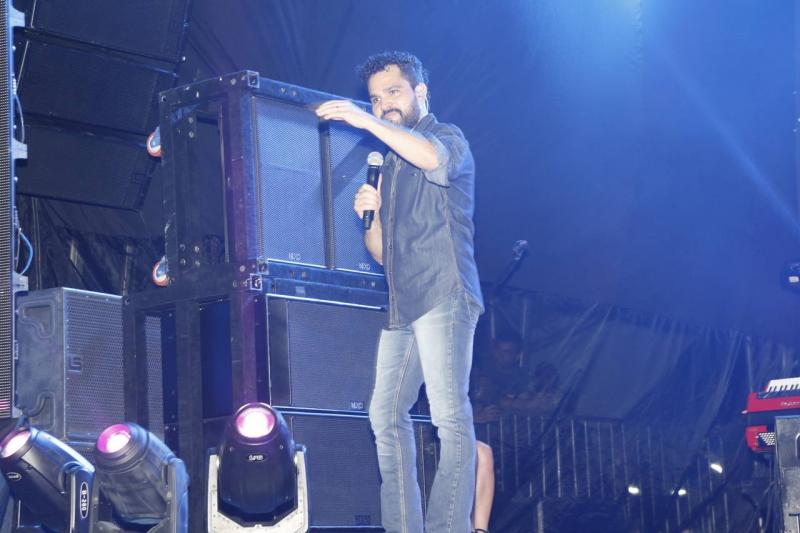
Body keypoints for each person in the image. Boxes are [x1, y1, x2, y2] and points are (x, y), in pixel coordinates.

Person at [316, 51, 483, 533]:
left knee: (449, 417)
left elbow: (434, 160)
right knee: (384, 415)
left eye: (393, 92)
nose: (383, 104)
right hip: (403, 305)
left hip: (444, 291)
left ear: (419, 93)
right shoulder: (389, 164)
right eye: (374, 99)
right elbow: (382, 255)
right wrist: (368, 216)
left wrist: (366, 121)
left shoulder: (445, 136)